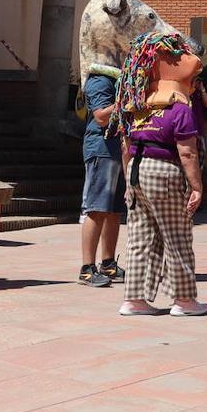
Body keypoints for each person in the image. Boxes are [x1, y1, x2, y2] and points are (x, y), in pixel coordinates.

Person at [116, 33, 207, 318]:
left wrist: (128, 184)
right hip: (164, 172)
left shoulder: (139, 104)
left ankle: (134, 300)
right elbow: (188, 153)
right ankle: (184, 300)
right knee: (177, 237)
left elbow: (126, 146)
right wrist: (197, 186)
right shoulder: (179, 108)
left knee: (140, 238)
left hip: (137, 171)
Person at [78, 68, 127, 287]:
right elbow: (100, 117)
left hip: (117, 148)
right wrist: (127, 101)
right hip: (102, 148)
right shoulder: (99, 80)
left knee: (115, 210)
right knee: (97, 208)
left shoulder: (118, 79)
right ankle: (87, 268)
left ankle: (108, 262)